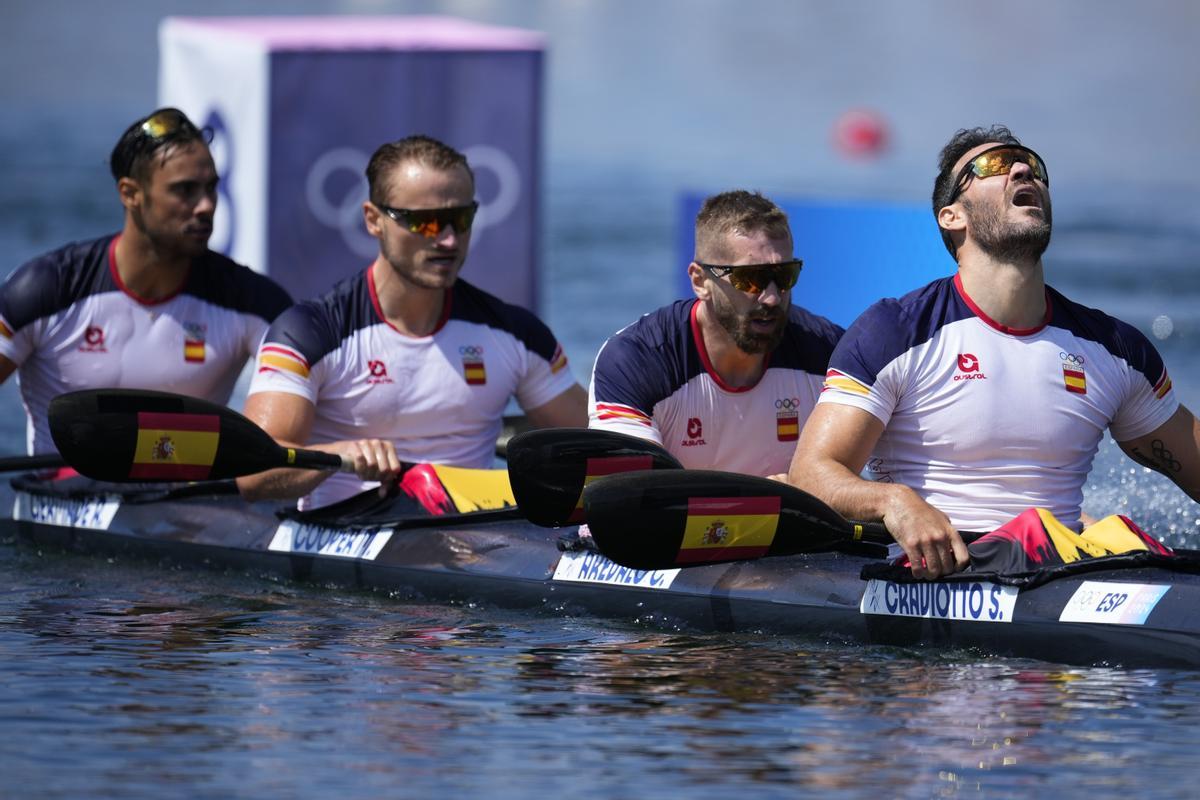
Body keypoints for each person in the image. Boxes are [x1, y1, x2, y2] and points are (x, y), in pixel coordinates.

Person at [787, 124, 1200, 578]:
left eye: (1034, 166)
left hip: (1063, 571)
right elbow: (812, 474)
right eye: (996, 166)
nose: (1025, 170)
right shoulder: (894, 332)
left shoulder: (1114, 348)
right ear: (952, 216)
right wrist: (894, 502)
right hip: (943, 569)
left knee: (1128, 543)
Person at [238, 134, 587, 508]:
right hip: (344, 526)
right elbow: (252, 474)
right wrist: (340, 456)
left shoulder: (517, 334)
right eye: (427, 223)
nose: (450, 241)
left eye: (460, 218)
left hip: (475, 535)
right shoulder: (307, 333)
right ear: (373, 220)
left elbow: (603, 443)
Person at [0, 108, 292, 455]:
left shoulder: (254, 302)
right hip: (58, 496)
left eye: (211, 188)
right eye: (185, 190)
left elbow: (319, 417)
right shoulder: (43, 289)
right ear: (130, 194)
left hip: (188, 503)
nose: (206, 206)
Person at [588, 190, 843, 476]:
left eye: (784, 276)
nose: (772, 298)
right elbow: (634, 497)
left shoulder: (831, 353)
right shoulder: (634, 360)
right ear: (700, 281)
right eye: (751, 279)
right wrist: (774, 496)